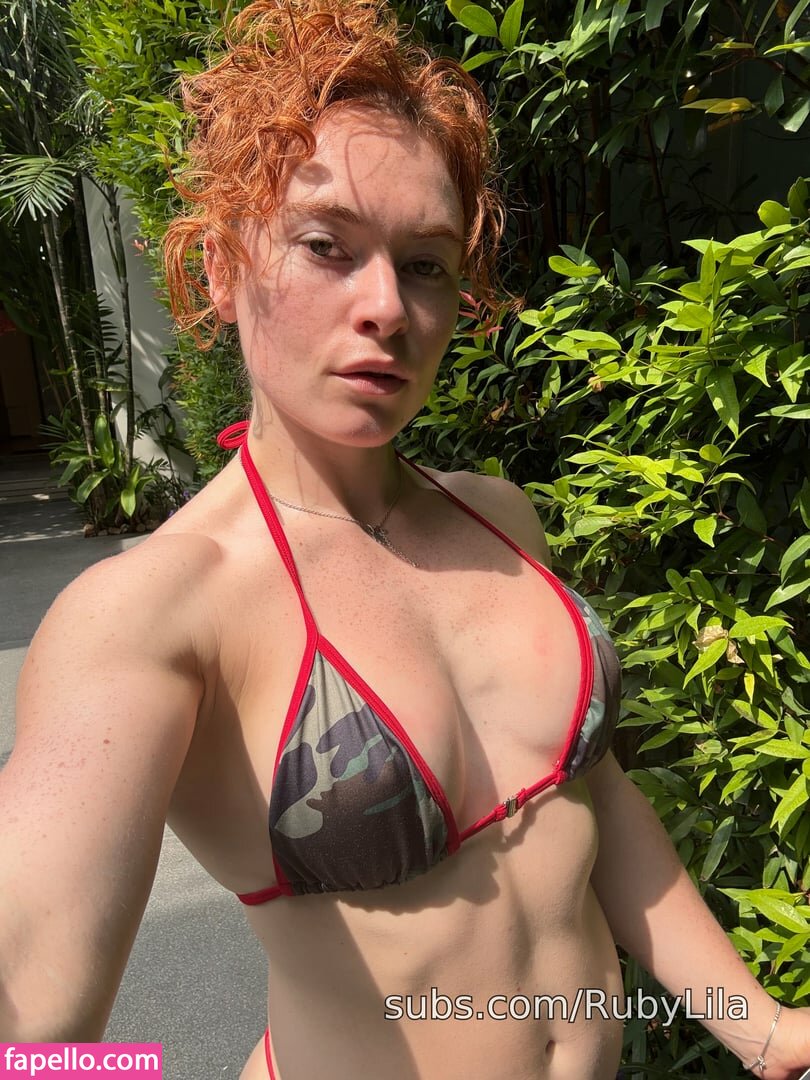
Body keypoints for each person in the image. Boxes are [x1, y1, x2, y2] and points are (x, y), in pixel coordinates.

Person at [1, 1, 809, 1077]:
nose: (386, 304)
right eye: (326, 246)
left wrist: (759, 1026)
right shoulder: (155, 614)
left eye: (425, 263)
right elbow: (32, 1022)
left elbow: (597, 803)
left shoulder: (497, 518)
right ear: (221, 269)